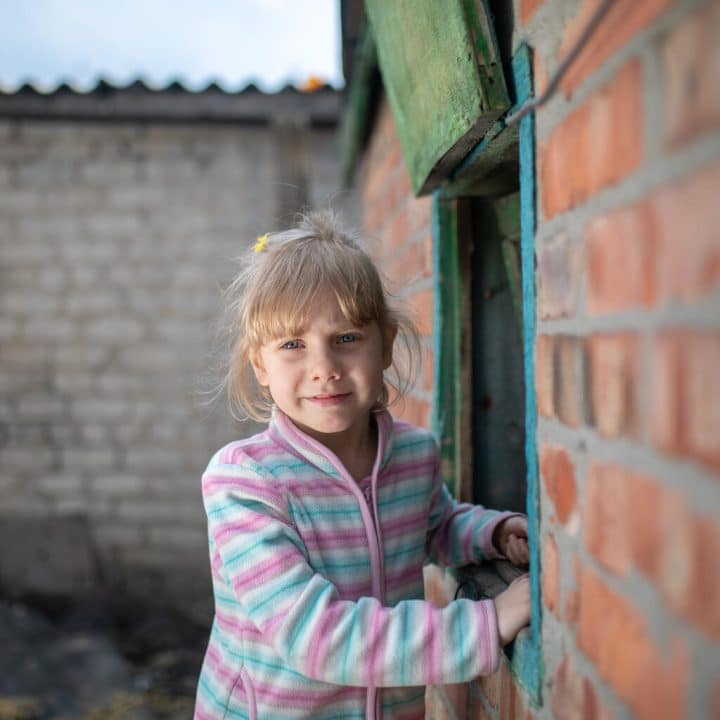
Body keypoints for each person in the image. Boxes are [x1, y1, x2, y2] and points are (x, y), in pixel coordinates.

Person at [194, 210, 530, 720]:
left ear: (387, 343)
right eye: (292, 345)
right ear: (260, 366)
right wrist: (488, 623)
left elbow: (435, 524)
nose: (324, 369)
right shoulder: (244, 482)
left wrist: (494, 532)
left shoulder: (413, 456)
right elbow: (316, 637)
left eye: (346, 337)